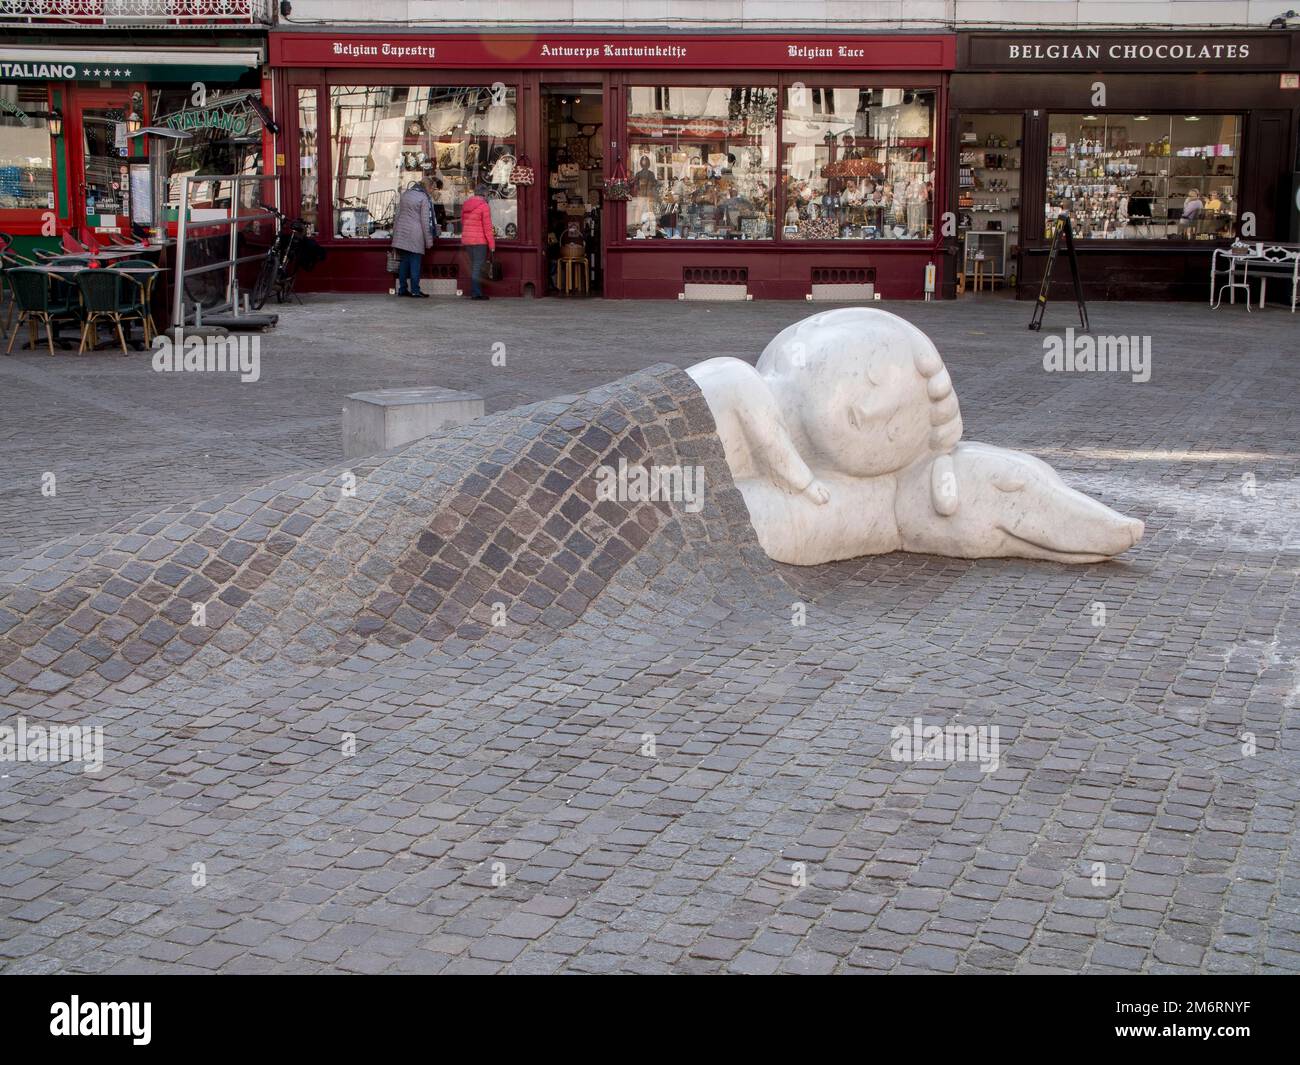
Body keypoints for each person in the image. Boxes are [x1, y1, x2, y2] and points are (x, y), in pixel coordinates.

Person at [390, 176, 436, 297]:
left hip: (402, 232)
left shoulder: (406, 194)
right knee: (415, 263)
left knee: (404, 262)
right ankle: (415, 290)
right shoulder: (423, 198)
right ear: (428, 187)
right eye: (433, 189)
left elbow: (397, 215)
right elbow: (425, 221)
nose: (432, 191)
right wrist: (429, 241)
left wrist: (395, 233)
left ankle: (402, 289)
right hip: (415, 234)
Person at [460, 183, 496, 300]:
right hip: (479, 241)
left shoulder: (466, 204)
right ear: (484, 193)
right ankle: (476, 293)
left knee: (474, 266)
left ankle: (477, 291)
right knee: (477, 267)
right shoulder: (484, 206)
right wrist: (492, 245)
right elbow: (487, 228)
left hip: (467, 241)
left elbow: (463, 223)